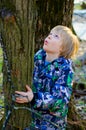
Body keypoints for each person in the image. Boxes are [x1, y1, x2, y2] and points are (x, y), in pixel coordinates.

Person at [15, 25, 79, 130]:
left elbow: (60, 100)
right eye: (50, 34)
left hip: (52, 123)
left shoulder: (65, 69)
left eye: (56, 36)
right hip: (32, 117)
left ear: (62, 48)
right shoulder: (39, 56)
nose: (49, 37)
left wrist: (34, 97)